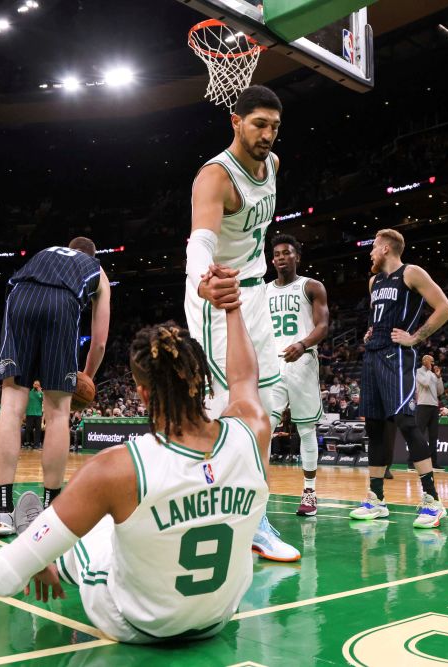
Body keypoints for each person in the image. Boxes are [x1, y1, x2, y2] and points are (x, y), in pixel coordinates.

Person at [0, 264, 271, 644]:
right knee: (122, 517)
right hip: (218, 618)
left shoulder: (117, 468)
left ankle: (45, 548)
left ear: (143, 394)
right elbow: (243, 379)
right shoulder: (254, 431)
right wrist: (232, 308)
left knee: (100, 530)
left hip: (138, 623)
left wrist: (30, 559)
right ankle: (47, 536)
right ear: (201, 379)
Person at [184, 85, 298, 561]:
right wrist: (202, 281)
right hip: (219, 299)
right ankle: (207, 506)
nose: (268, 134)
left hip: (256, 302)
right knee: (228, 410)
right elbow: (200, 242)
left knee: (266, 411)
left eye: (274, 126)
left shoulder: (271, 166)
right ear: (236, 120)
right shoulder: (215, 176)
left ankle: (254, 516)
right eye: (259, 124)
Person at [0, 238, 111, 536]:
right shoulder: (97, 269)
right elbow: (99, 342)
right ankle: (50, 510)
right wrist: (86, 375)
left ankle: (3, 512)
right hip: (62, 302)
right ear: (91, 256)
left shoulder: (43, 252)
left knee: (10, 407)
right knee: (58, 412)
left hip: (20, 296)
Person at [349, 228, 448, 529]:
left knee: (406, 422)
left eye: (373, 247)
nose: (370, 253)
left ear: (385, 249)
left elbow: (445, 308)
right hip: (372, 353)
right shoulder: (374, 281)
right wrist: (371, 330)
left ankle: (433, 501)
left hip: (396, 355)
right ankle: (376, 499)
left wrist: (414, 338)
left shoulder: (412, 272)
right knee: (375, 427)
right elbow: (377, 318)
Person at [264, 234, 328, 515]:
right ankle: (259, 494)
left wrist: (303, 344)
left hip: (301, 361)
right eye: (276, 253)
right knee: (263, 430)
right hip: (271, 364)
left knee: (305, 429)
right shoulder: (262, 291)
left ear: (297, 257)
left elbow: (323, 325)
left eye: (286, 252)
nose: (280, 257)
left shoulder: (311, 286)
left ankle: (310, 493)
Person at [411, 355, 444, 471]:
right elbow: (425, 383)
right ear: (425, 361)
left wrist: (439, 377)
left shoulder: (433, 375)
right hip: (423, 405)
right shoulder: (419, 371)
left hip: (434, 407)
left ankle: (433, 463)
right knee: (418, 435)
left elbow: (440, 391)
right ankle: (411, 462)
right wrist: (431, 372)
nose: (433, 363)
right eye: (431, 361)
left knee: (433, 436)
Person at [24, 381, 44, 449]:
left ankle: (36, 444)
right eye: (35, 384)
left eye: (37, 385)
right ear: (33, 385)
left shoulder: (41, 393)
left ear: (39, 386)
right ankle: (28, 443)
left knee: (38, 430)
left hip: (38, 414)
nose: (36, 386)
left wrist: (40, 392)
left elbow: (43, 399)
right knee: (28, 429)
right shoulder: (29, 393)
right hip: (29, 413)